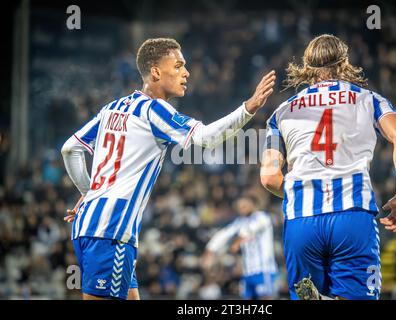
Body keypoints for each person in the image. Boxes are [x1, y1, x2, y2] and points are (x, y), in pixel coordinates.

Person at [61, 38, 276, 300]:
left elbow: (70, 149)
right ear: (155, 72)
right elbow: (205, 138)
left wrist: (90, 191)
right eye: (178, 66)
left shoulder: (111, 109)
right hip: (112, 230)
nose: (186, 72)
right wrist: (248, 108)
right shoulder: (153, 110)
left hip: (88, 226)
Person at [260, 34, 396, 300]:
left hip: (301, 221)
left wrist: (305, 193)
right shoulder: (369, 100)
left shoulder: (281, 113)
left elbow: (269, 177)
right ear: (344, 64)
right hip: (352, 215)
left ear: (306, 68)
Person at [202, 195, 279, 299]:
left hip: (263, 269)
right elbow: (224, 234)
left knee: (266, 298)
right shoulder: (240, 221)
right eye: (239, 206)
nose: (241, 208)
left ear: (253, 205)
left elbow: (251, 229)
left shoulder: (262, 217)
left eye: (244, 205)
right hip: (247, 271)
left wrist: (237, 242)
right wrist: (210, 249)